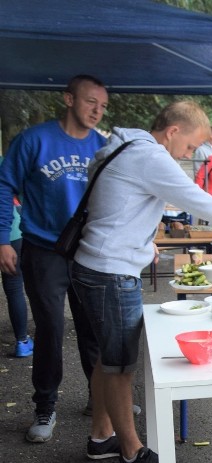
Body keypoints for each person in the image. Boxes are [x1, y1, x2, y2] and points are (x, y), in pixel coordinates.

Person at [72, 100, 212, 463]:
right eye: (192, 146)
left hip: (95, 265)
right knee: (120, 366)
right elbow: (199, 200)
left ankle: (101, 437)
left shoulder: (122, 147)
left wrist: (140, 238)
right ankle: (131, 453)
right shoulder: (150, 156)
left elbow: (117, 207)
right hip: (111, 272)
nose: (190, 154)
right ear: (173, 131)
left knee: (106, 356)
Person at [0, 75, 108, 443]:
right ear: (68, 99)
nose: (97, 110)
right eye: (91, 101)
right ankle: (45, 406)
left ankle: (101, 399)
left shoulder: (103, 147)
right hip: (43, 249)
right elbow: (4, 186)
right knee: (50, 329)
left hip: (88, 251)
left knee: (93, 328)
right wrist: (2, 239)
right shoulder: (34, 140)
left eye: (103, 105)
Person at [0, 154, 32, 357]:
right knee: (14, 289)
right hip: (12, 233)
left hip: (10, 233)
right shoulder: (5, 162)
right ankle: (22, 341)